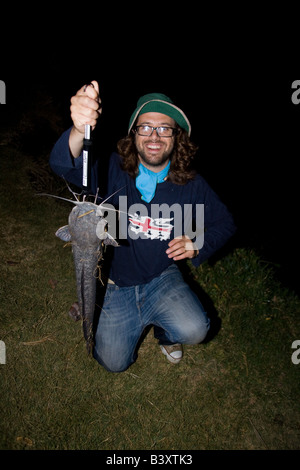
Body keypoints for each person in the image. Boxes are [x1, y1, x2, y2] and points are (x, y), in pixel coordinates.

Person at [49, 81, 236, 372]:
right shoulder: (111, 169)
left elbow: (225, 223)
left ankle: (166, 335)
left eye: (165, 128)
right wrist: (78, 129)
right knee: (113, 362)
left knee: (196, 327)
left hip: (161, 277)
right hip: (113, 284)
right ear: (133, 134)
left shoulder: (190, 184)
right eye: (145, 127)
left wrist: (198, 240)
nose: (155, 136)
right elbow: (66, 165)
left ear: (177, 137)